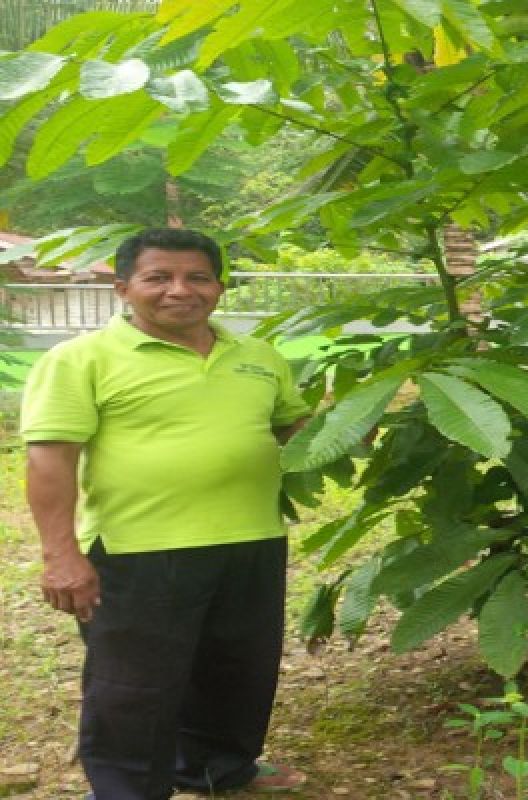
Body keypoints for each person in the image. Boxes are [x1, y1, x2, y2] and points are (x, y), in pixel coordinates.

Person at [21, 228, 311, 800]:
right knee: (134, 687)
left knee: (238, 670)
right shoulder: (82, 360)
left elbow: (292, 426)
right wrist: (60, 555)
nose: (180, 290)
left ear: (219, 288)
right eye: (159, 277)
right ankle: (128, 790)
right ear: (125, 288)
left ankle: (217, 767)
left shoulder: (258, 357)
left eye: (197, 276)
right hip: (139, 548)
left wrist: (367, 424)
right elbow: (49, 458)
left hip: (250, 539)